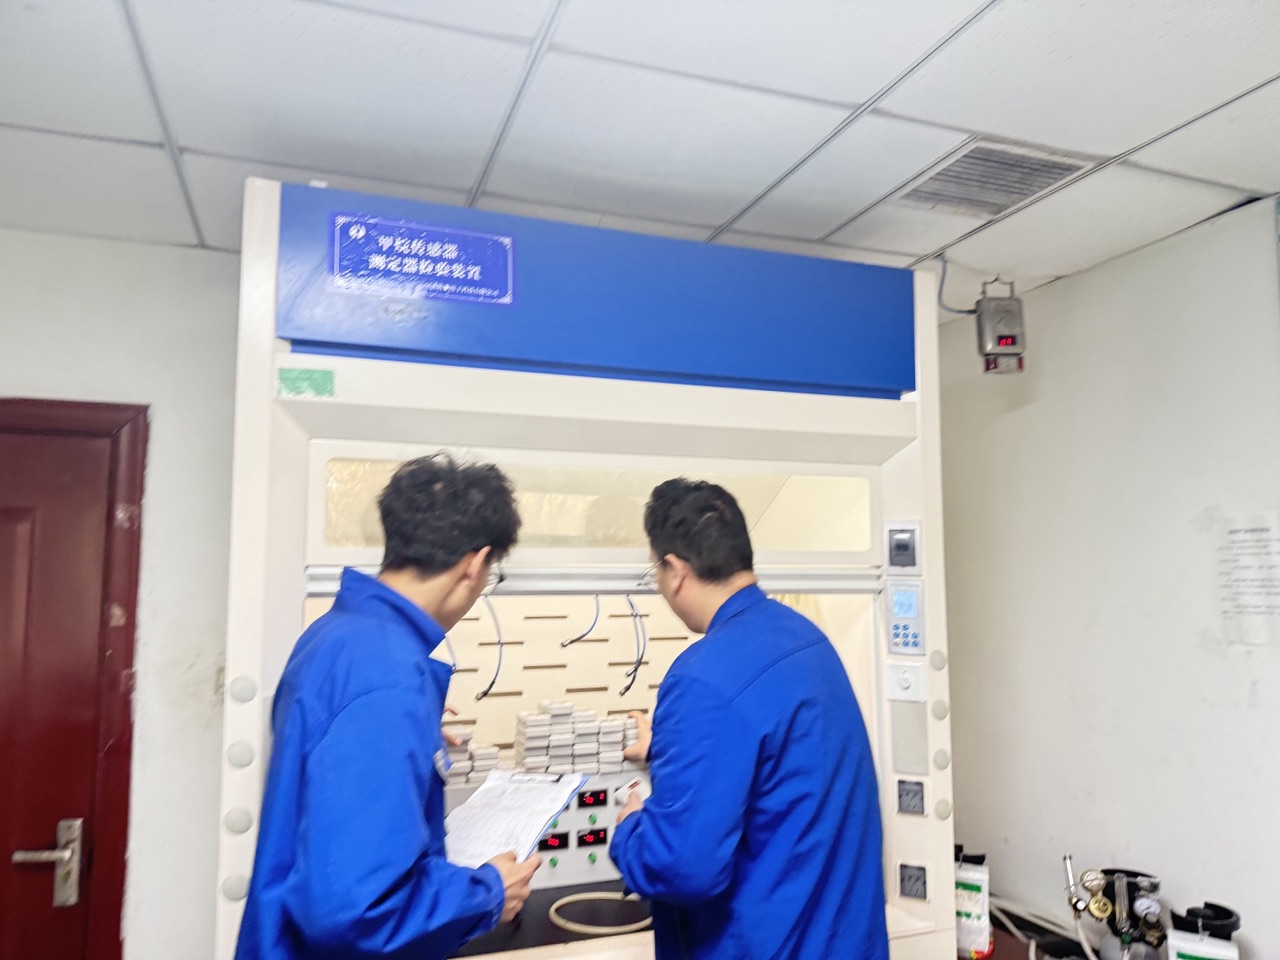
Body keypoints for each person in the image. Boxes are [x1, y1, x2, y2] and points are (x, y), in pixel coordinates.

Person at [236, 454, 541, 960]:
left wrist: (409, 735)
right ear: (475, 563)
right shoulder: (387, 678)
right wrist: (489, 893)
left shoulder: (336, 636)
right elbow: (357, 909)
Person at [610, 478, 888, 960]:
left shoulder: (702, 677)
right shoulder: (807, 640)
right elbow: (784, 767)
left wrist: (631, 830)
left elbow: (683, 868)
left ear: (675, 570)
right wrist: (669, 748)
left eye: (654, 571)